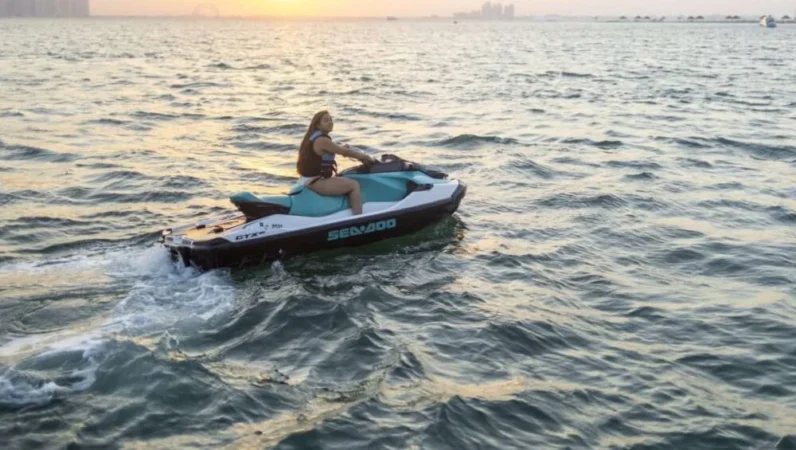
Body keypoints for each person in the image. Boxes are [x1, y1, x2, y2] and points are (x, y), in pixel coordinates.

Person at [296, 110, 376, 215]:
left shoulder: (314, 137)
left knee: (344, 176)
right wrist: (366, 157)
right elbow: (344, 152)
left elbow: (335, 149)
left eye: (331, 119)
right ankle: (358, 219)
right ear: (318, 125)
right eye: (326, 120)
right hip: (316, 182)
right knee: (354, 185)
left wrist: (344, 149)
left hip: (308, 180)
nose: (330, 122)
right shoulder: (321, 140)